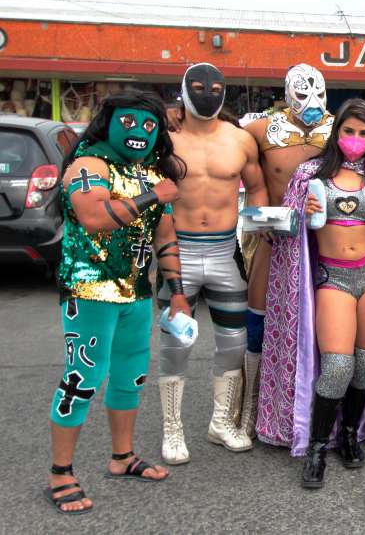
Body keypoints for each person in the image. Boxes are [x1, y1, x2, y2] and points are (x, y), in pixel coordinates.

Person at [255, 99, 365, 488]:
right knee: (337, 366)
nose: (356, 139)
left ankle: (348, 434)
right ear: (337, 132)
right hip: (334, 278)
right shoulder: (309, 175)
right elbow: (292, 235)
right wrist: (303, 213)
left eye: (364, 133)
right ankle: (316, 448)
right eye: (349, 131)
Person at [45, 91, 190, 514]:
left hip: (136, 293)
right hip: (88, 291)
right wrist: (153, 196)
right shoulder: (88, 165)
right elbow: (94, 217)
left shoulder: (150, 172)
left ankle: (122, 457)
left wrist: (177, 292)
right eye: (129, 123)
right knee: (82, 380)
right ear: (108, 122)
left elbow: (165, 237)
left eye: (149, 126)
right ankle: (60, 471)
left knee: (131, 377)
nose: (140, 133)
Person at [156, 63, 269, 464]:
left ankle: (221, 422)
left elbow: (256, 187)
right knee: (176, 346)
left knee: (232, 345)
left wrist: (257, 229)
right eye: (199, 86)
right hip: (178, 253)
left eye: (217, 87)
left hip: (225, 253)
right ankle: (172, 430)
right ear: (184, 90)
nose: (208, 93)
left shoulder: (240, 139)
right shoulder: (162, 137)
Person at [241, 63, 334, 441]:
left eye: (319, 94)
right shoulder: (260, 130)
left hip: (327, 241)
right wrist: (259, 211)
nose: (312, 103)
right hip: (277, 239)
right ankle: (250, 406)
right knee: (259, 320)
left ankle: (321, 411)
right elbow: (248, 175)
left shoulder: (341, 127)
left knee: (327, 327)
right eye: (303, 94)